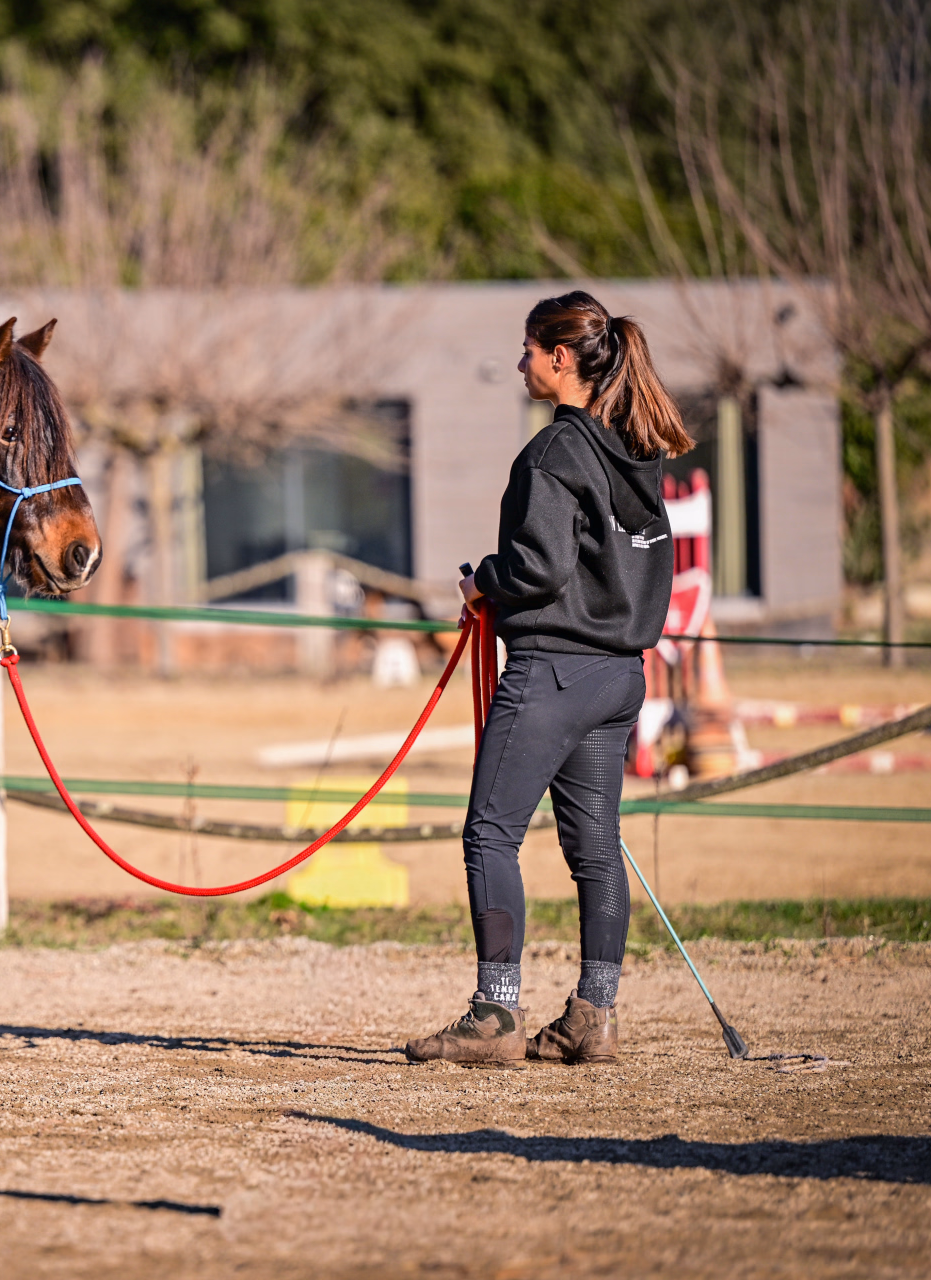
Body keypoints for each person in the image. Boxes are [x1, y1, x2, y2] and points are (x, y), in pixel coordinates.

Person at [406, 290, 692, 1067]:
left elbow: (538, 568)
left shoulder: (554, 454)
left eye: (529, 349)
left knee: (489, 832)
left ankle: (493, 1016)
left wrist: (482, 584)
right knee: (596, 849)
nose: (520, 362)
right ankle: (594, 1014)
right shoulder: (636, 452)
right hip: (618, 676)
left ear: (561, 358)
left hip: (555, 671)